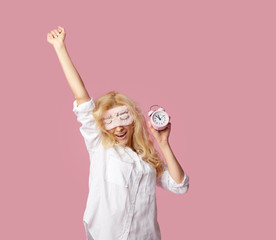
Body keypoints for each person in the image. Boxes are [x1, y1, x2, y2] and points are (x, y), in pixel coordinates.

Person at [47, 26, 189, 240]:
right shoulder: (100, 146)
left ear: (133, 121)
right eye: (110, 121)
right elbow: (82, 98)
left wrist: (164, 144)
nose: (118, 126)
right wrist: (60, 48)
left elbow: (180, 185)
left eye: (124, 118)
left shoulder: (147, 158)